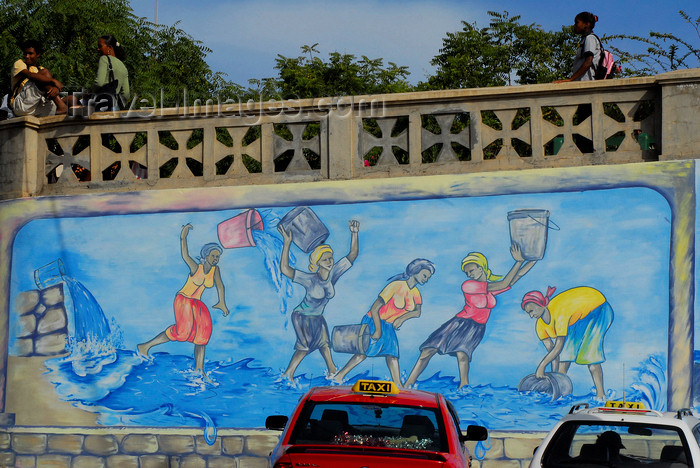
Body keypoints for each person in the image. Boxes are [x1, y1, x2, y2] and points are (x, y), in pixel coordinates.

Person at [405, 244, 535, 388]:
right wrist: (518, 261)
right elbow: (504, 282)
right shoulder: (468, 285)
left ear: (481, 267)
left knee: (463, 355)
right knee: (428, 350)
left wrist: (532, 260)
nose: (470, 274)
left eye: (472, 271)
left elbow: (515, 278)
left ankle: (464, 387)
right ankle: (408, 383)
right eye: (468, 273)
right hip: (460, 323)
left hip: (477, 327)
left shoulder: (490, 288)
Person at [138, 224, 229, 379]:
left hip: (197, 303)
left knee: (203, 334)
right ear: (206, 256)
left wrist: (222, 302)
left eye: (217, 257)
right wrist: (183, 237)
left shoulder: (216, 270)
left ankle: (199, 370)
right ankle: (145, 346)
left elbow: (220, 286)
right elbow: (185, 255)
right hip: (184, 300)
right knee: (182, 332)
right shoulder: (196, 267)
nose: (215, 259)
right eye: (213, 256)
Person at [278, 220, 360, 382]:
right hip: (301, 316)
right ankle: (287, 375)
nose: (330, 262)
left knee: (324, 344)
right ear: (317, 263)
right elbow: (285, 269)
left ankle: (332, 371)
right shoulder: (309, 279)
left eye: (331, 258)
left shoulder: (333, 273)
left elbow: (352, 255)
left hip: (317, 316)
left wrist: (354, 233)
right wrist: (287, 244)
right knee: (305, 346)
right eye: (325, 259)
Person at [332, 259, 435, 387]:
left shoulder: (415, 293)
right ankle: (339, 376)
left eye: (428, 277)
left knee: (392, 355)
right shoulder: (396, 286)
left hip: (388, 325)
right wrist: (377, 330)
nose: (426, 279)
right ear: (415, 271)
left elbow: (417, 312)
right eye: (424, 275)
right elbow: (375, 308)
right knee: (363, 353)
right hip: (373, 321)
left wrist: (402, 318)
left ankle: (398, 385)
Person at [521, 285, 614, 399]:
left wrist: (542, 366)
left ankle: (601, 395)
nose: (531, 315)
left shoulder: (559, 313)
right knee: (565, 356)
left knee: (590, 355)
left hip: (599, 309)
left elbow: (558, 347)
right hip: (578, 317)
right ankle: (560, 391)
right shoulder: (540, 326)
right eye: (528, 313)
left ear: (541, 305)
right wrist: (553, 376)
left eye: (531, 310)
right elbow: (554, 353)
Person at [10, 40, 74, 116]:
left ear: (38, 54)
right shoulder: (20, 63)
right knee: (44, 73)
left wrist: (55, 89)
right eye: (25, 53)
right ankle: (62, 107)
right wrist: (53, 80)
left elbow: (51, 87)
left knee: (71, 99)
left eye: (30, 53)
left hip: (38, 105)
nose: (27, 56)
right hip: (22, 105)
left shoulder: (40, 68)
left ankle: (80, 111)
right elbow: (30, 75)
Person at [554, 12, 602, 83]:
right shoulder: (584, 39)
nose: (574, 26)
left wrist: (571, 79)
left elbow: (588, 62)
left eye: (577, 23)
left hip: (587, 82)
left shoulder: (590, 38)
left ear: (586, 24)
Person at [89, 35, 130, 111]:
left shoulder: (104, 59)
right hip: (115, 107)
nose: (98, 49)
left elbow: (99, 83)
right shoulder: (123, 66)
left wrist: (90, 92)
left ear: (110, 47)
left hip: (101, 105)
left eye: (100, 46)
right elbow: (126, 94)